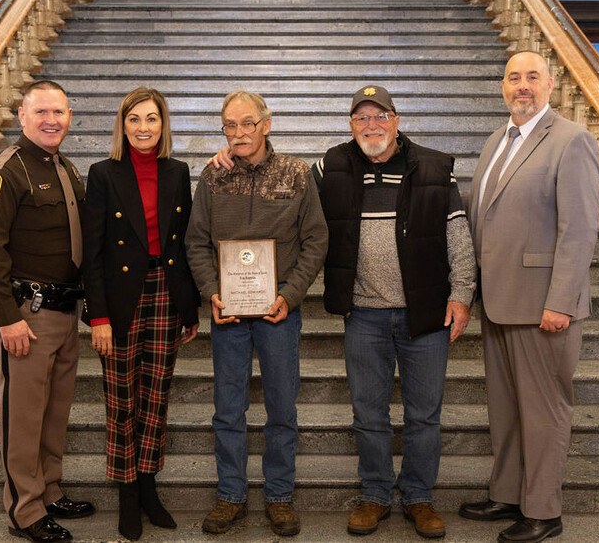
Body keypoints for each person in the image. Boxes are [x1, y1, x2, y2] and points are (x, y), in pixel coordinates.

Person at [314, 85, 475, 539]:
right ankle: (376, 495)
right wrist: (230, 158)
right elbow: (289, 202)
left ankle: (419, 497)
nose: (372, 125)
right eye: (362, 118)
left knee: (424, 415)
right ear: (351, 126)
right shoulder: (330, 167)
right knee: (369, 413)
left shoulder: (434, 168)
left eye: (380, 115)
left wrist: (462, 294)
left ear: (396, 120)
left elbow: (458, 237)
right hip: (363, 315)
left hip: (425, 315)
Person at [459, 51, 599, 543]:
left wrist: (560, 301)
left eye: (532, 77)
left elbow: (579, 229)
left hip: (543, 304)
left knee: (543, 411)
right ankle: (508, 493)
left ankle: (543, 510)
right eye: (514, 77)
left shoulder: (571, 140)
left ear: (550, 84)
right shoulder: (497, 139)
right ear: (503, 85)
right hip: (499, 299)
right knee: (505, 408)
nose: (523, 85)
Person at [185, 90, 328, 537]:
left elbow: (316, 240)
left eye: (248, 123)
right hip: (228, 313)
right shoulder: (213, 176)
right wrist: (211, 292)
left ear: (266, 124)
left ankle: (279, 496)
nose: (239, 132)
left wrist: (291, 294)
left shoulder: (296, 173)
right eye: (230, 125)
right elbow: (196, 242)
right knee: (228, 409)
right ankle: (230, 494)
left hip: (278, 313)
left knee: (281, 407)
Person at [0, 80, 94, 543]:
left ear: (69, 116)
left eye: (58, 112)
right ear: (22, 116)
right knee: (23, 418)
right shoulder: (4, 171)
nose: (51, 120)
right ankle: (24, 511)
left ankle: (49, 491)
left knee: (54, 412)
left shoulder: (65, 167)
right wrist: (7, 318)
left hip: (64, 311)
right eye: (40, 111)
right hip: (27, 313)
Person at [80, 87, 200, 541]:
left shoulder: (178, 172)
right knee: (121, 400)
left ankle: (149, 486)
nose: (143, 127)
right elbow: (92, 253)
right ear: (123, 125)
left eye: (151, 119)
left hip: (166, 292)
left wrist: (189, 308)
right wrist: (98, 317)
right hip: (120, 299)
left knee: (156, 397)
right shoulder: (103, 174)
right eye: (135, 119)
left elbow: (184, 244)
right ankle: (127, 493)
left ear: (163, 124)